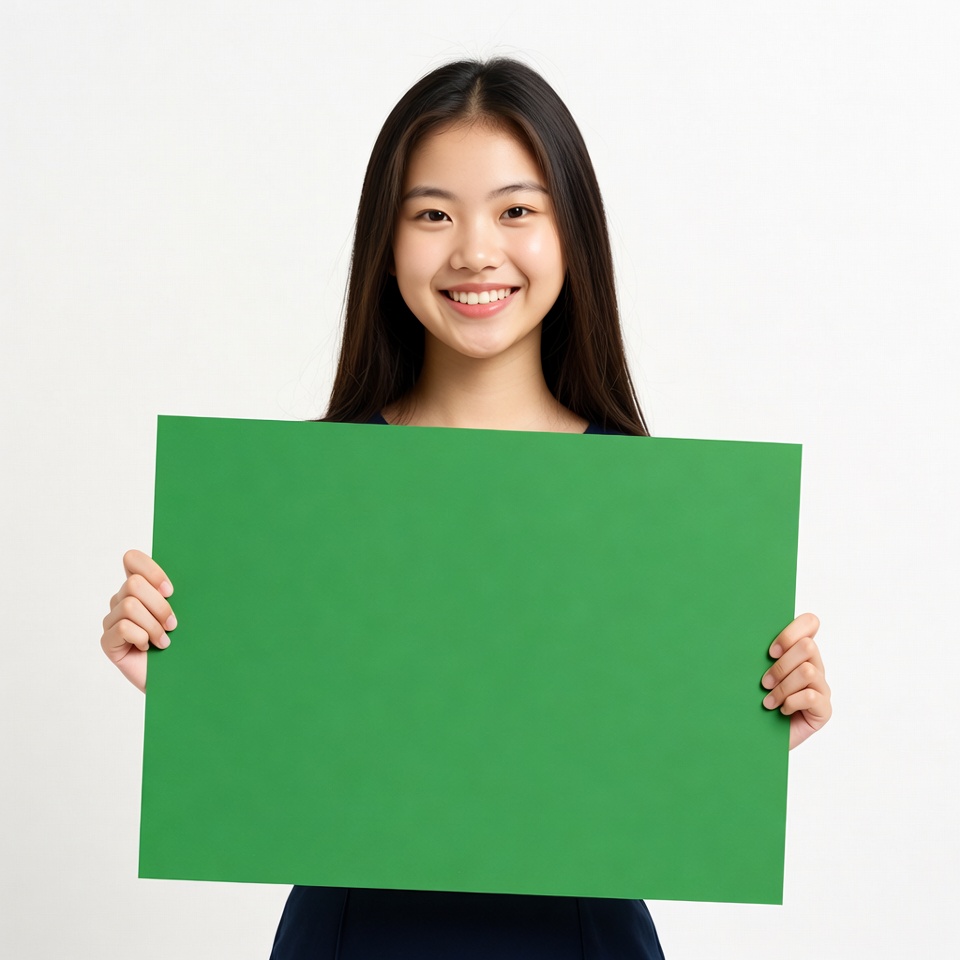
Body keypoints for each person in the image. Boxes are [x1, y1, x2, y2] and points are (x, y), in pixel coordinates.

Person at [100, 57, 832, 959]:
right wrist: (187, 677)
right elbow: (296, 754)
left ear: (573, 232)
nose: (476, 251)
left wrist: (747, 731)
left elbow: (635, 767)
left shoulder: (658, 511)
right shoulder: (301, 501)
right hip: (353, 936)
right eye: (433, 214)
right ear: (386, 239)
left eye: (517, 211)